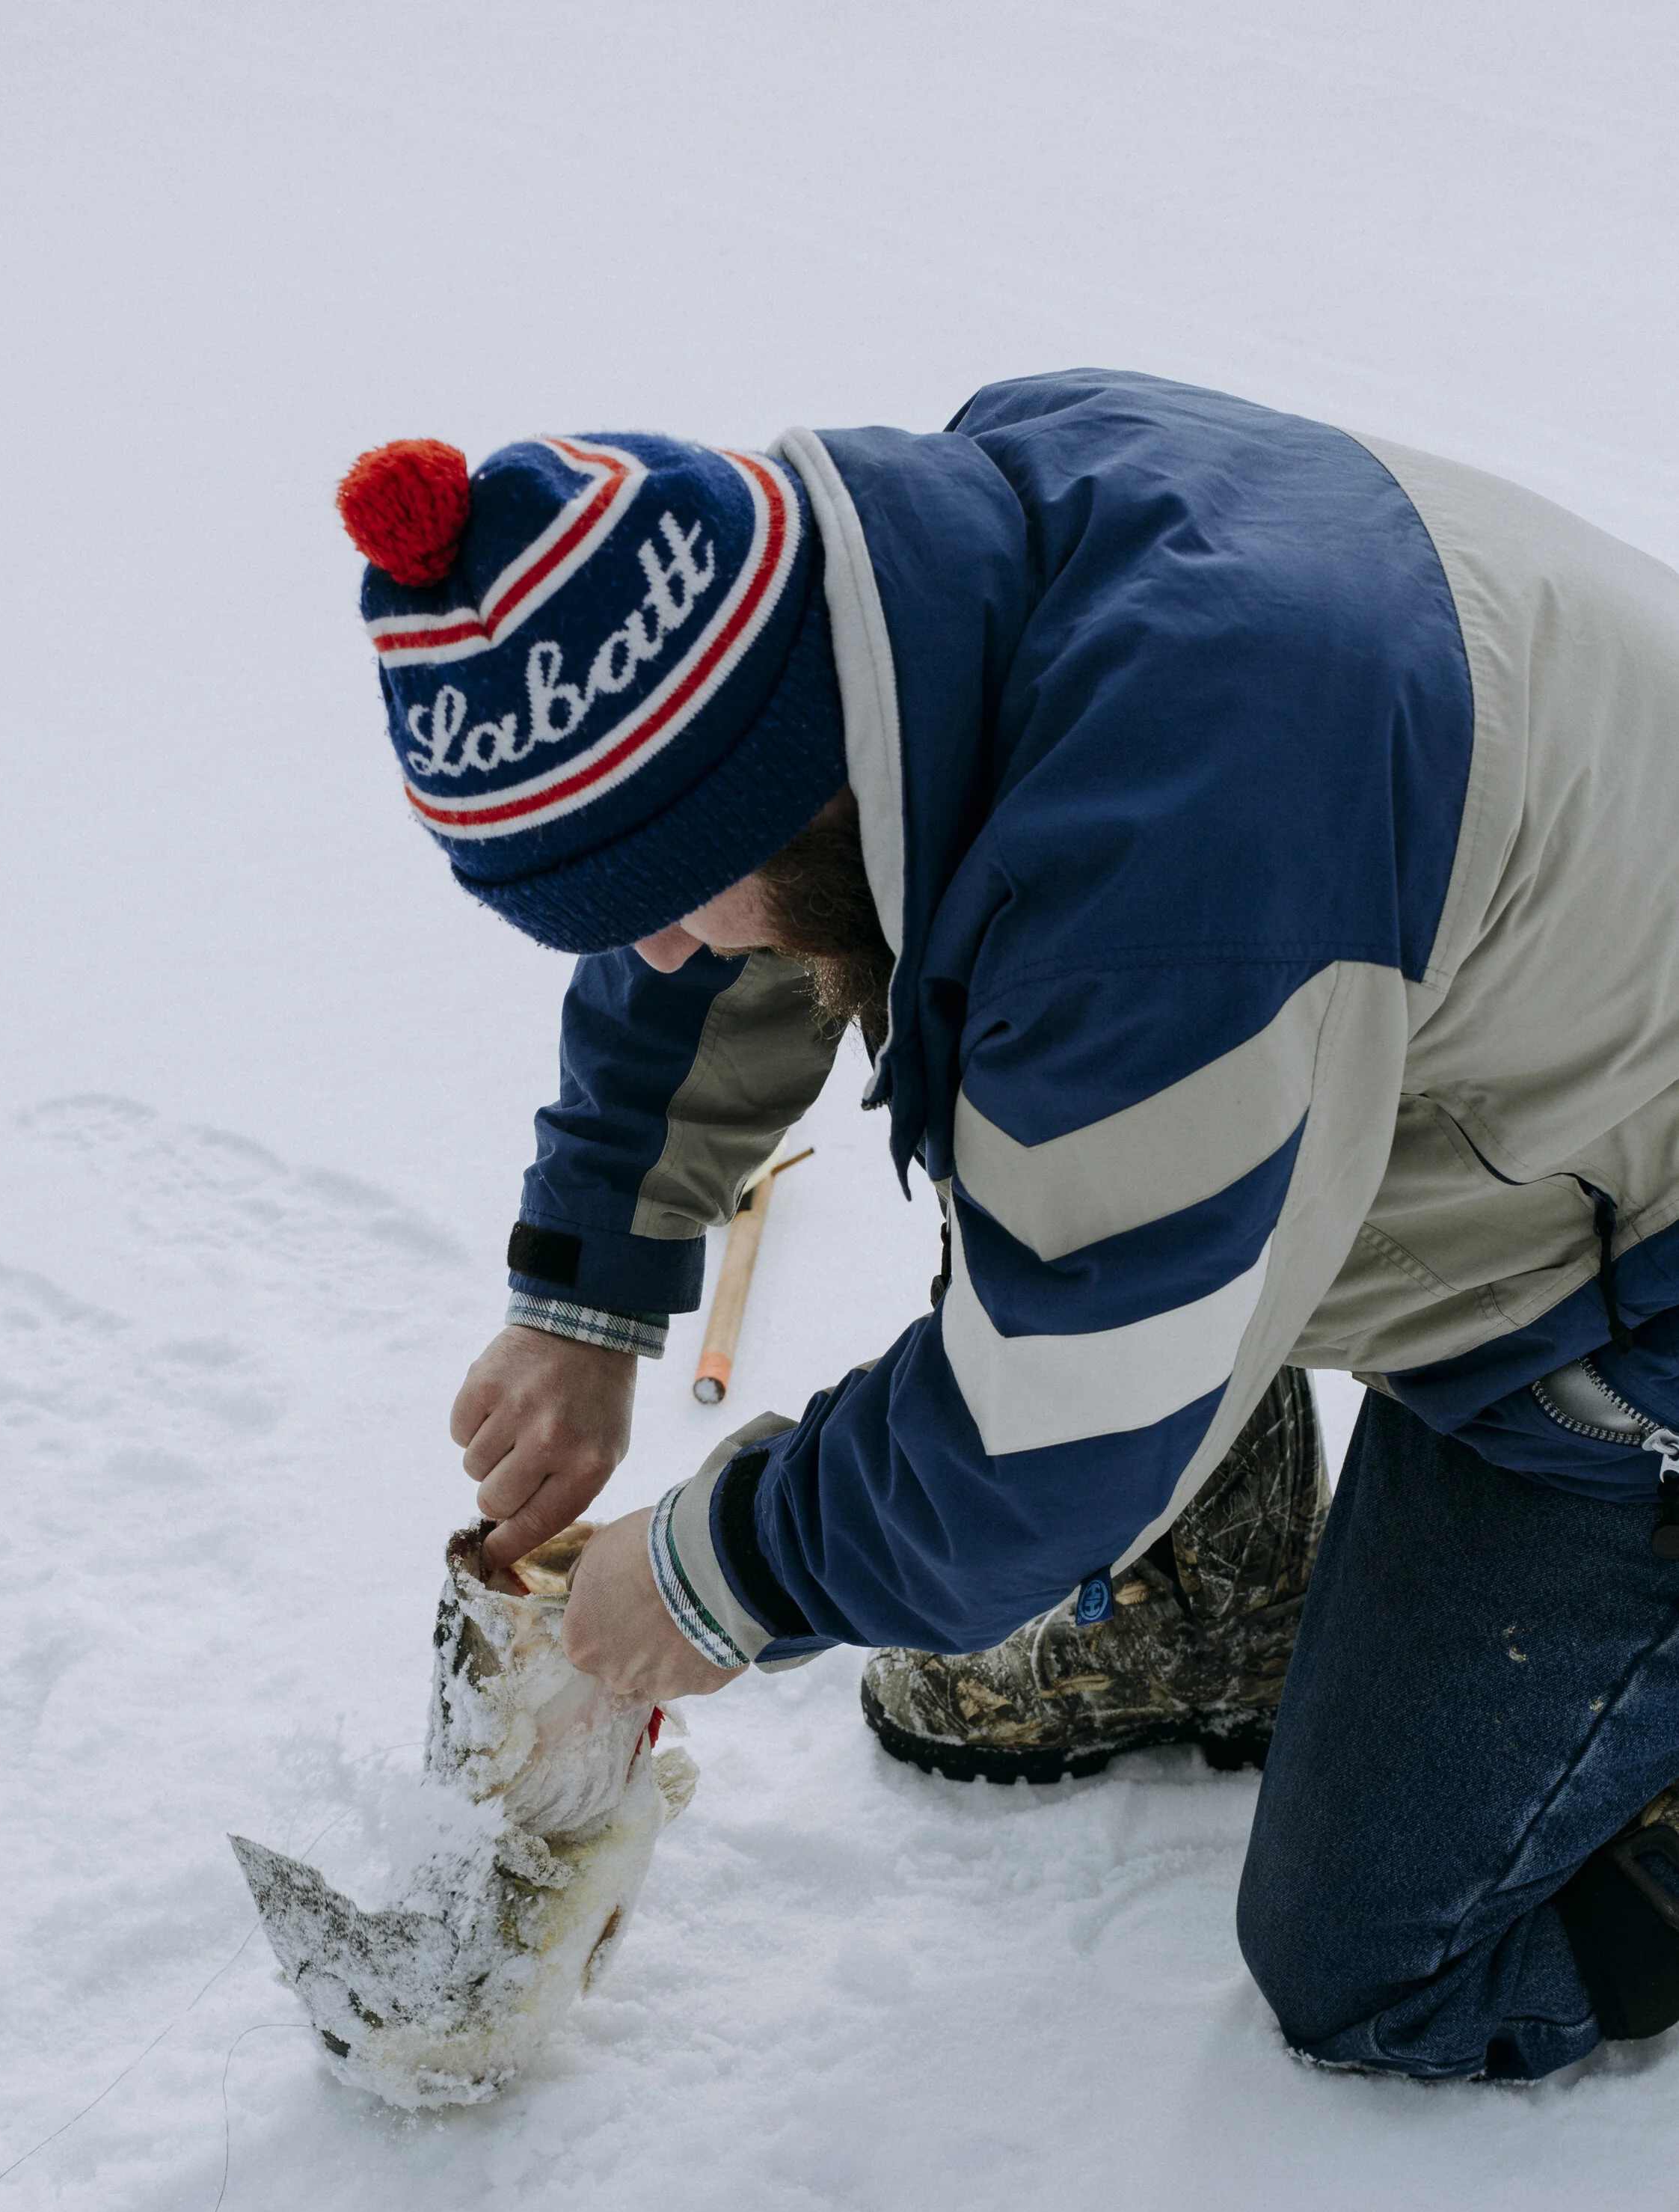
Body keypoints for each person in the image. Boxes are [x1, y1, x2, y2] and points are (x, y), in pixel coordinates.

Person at [335, 376, 1679, 2083]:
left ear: (771, 763)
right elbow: (729, 888)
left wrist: (708, 1571)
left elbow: (1057, 1424)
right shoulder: (935, 579)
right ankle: (1215, 1608)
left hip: (1636, 1293)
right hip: (1532, 1062)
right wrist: (587, 1293)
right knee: (1057, 1108)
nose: (660, 954)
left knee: (1376, 1966)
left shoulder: (1158, 882)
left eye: (664, 900)